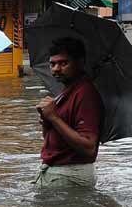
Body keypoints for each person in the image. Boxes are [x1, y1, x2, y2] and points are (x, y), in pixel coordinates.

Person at [35, 37, 104, 188]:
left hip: (68, 176)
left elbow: (88, 147)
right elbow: (52, 141)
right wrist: (47, 121)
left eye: (63, 63)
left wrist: (54, 118)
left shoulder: (85, 94)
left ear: (80, 63)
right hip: (60, 174)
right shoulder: (66, 92)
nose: (56, 69)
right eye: (52, 64)